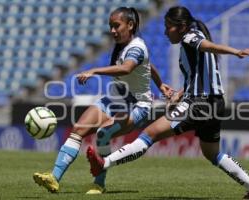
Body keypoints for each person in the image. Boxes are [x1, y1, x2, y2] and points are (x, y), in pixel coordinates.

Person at [86, 6, 249, 199]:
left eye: (168, 27)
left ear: (181, 26)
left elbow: (206, 45)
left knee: (149, 134)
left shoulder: (190, 37)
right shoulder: (193, 39)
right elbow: (198, 75)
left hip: (199, 103)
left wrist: (235, 51)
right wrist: (180, 93)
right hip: (215, 103)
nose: (165, 32)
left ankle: (104, 163)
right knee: (212, 153)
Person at [33, 7, 173, 194]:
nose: (113, 31)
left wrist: (94, 70)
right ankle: (54, 178)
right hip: (116, 97)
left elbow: (127, 69)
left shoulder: (137, 47)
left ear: (130, 25)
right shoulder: (125, 46)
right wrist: (161, 84)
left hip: (138, 105)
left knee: (102, 134)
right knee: (78, 129)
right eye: (111, 26)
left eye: (117, 26)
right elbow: (149, 65)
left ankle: (99, 183)